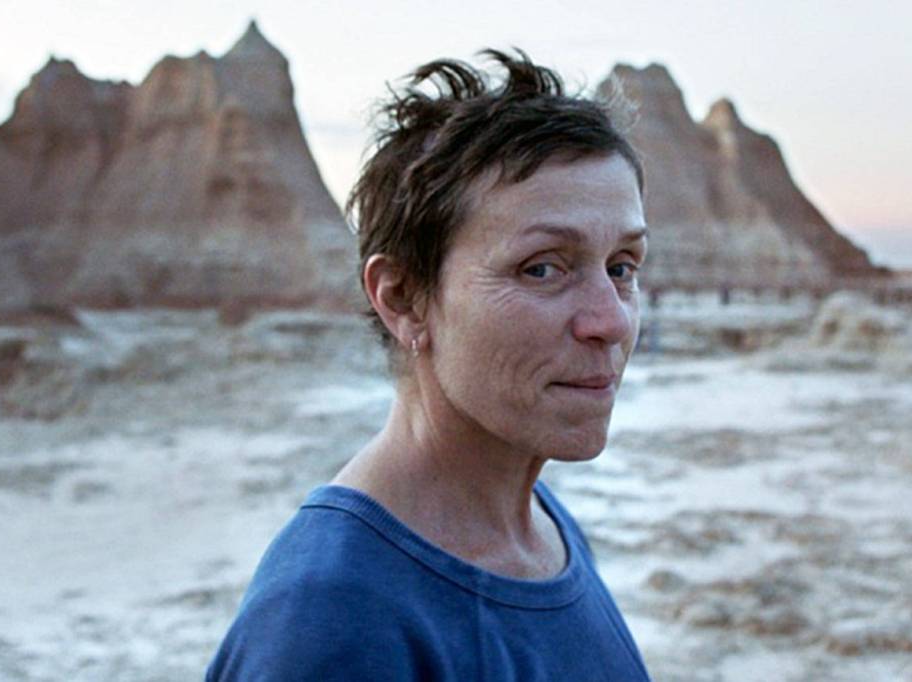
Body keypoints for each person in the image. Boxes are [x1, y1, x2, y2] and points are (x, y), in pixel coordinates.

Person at [206, 49, 651, 681]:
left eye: (622, 268)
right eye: (541, 268)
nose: (610, 321)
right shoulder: (332, 623)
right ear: (403, 299)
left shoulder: (543, 527)